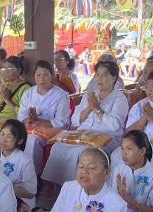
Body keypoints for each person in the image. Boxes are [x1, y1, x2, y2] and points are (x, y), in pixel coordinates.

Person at [44, 58, 129, 186]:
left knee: (79, 152)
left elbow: (114, 126)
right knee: (58, 147)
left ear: (114, 78)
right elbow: (75, 120)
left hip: (106, 138)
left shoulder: (119, 99)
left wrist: (97, 109)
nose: (100, 79)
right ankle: (55, 186)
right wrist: (89, 108)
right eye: (97, 75)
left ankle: (75, 186)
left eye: (104, 75)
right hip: (83, 134)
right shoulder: (90, 94)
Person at [112, 129, 153, 212]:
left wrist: (134, 204)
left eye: (129, 149)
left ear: (142, 151)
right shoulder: (119, 170)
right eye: (122, 149)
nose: (124, 153)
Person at [0, 119, 38, 202]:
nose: (3, 139)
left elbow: (31, 192)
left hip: (19, 201)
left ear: (20, 141)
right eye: (2, 134)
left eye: (9, 136)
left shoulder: (25, 161)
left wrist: (3, 188)